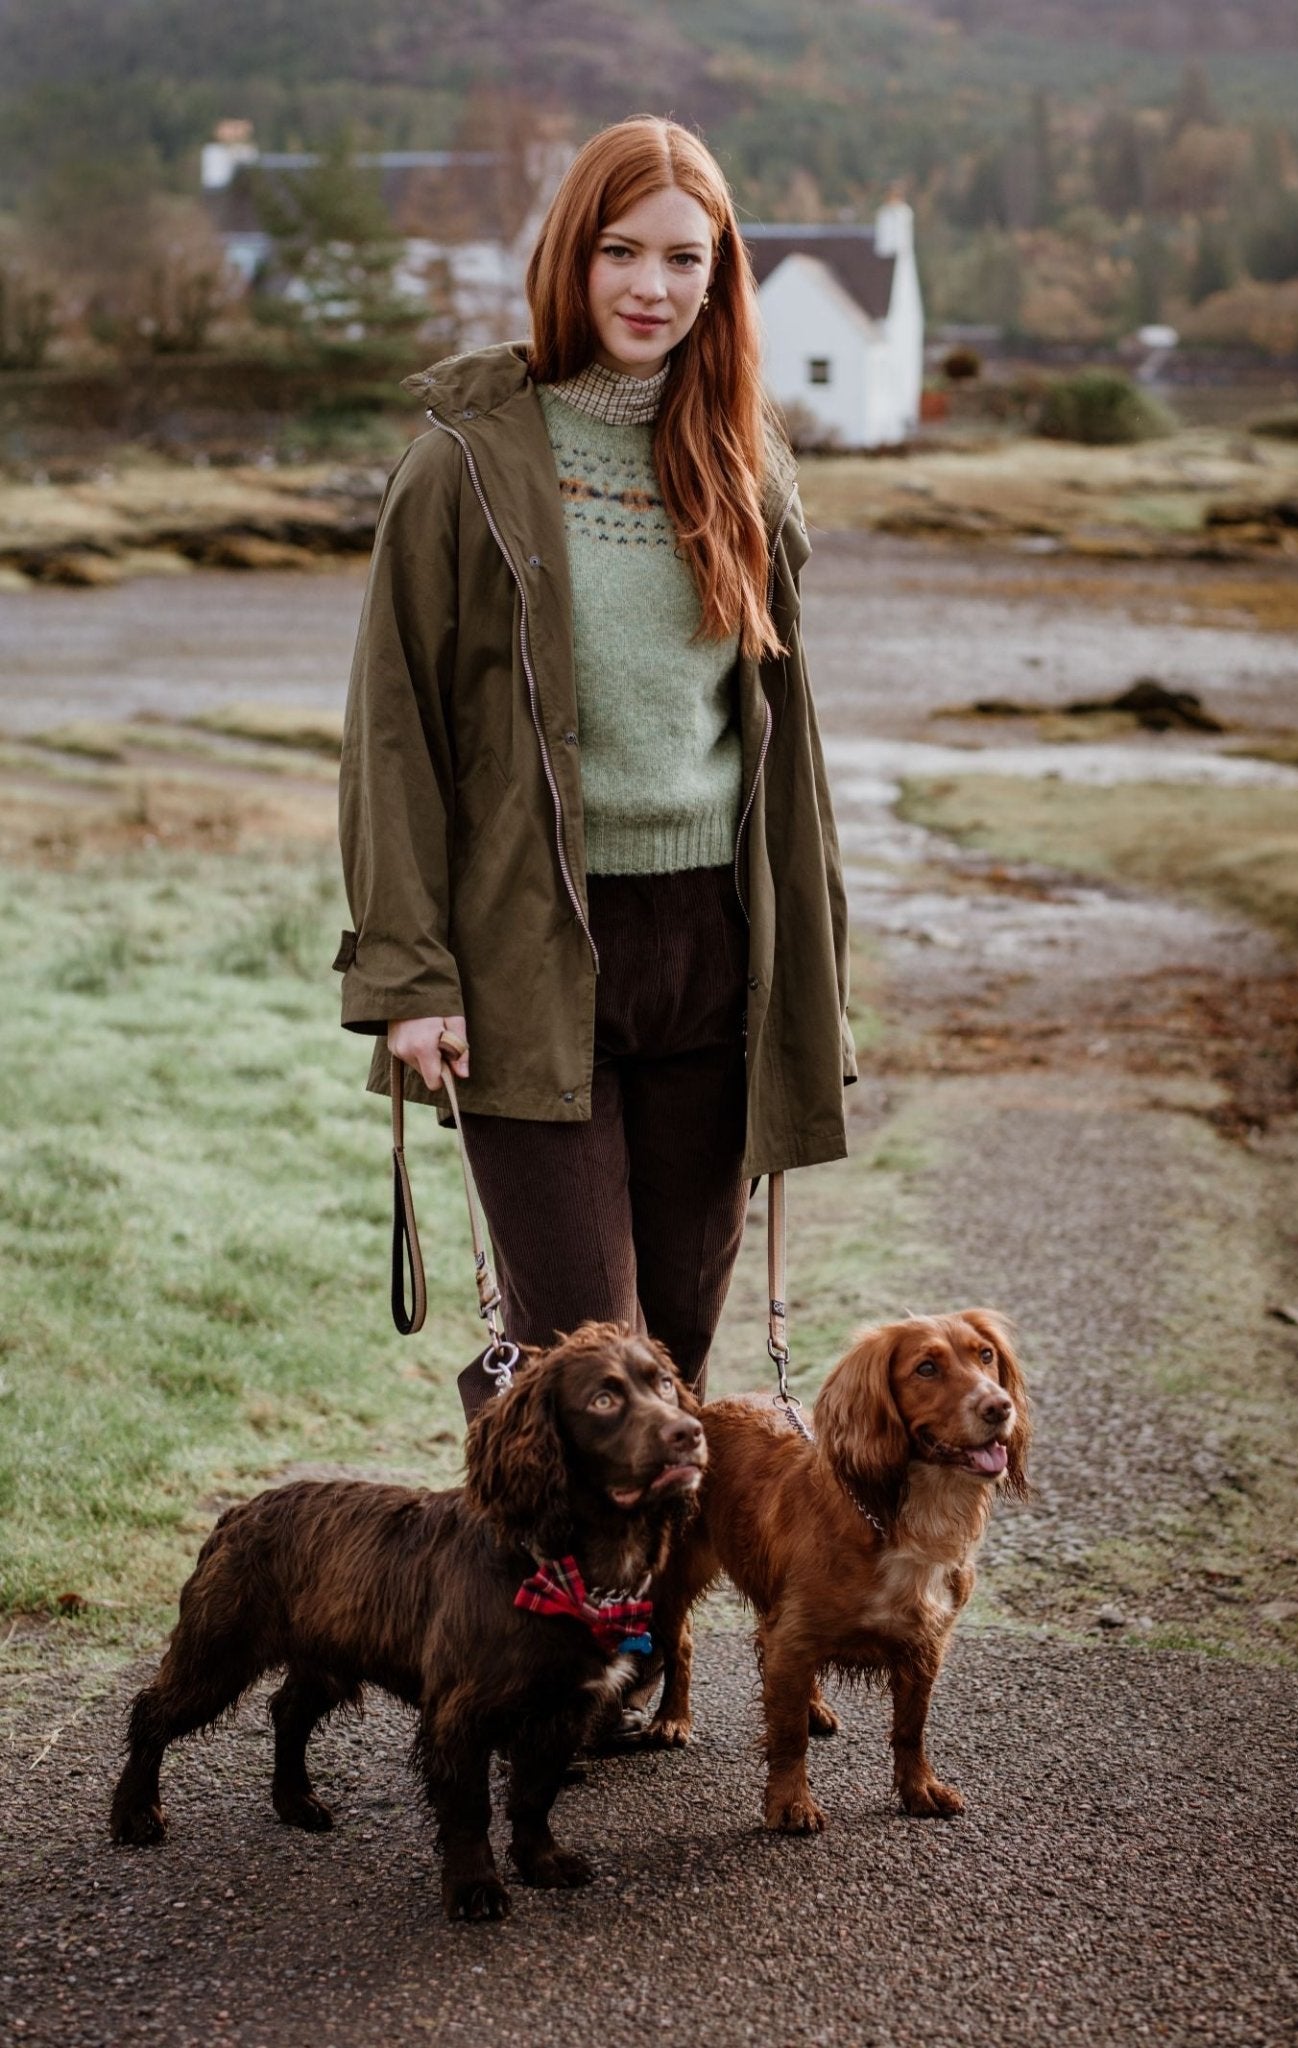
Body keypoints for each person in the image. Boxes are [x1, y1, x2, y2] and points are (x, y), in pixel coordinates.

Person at [335, 116, 855, 1408]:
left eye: (686, 260)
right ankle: (539, 1613)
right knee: (586, 1369)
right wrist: (409, 974)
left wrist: (814, 980)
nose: (651, 289)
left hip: (715, 958)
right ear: (571, 256)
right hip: (529, 954)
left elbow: (789, 758)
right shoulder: (462, 465)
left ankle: (640, 1621)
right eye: (621, 252)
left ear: (718, 277)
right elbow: (391, 733)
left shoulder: (746, 466)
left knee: (674, 1364)